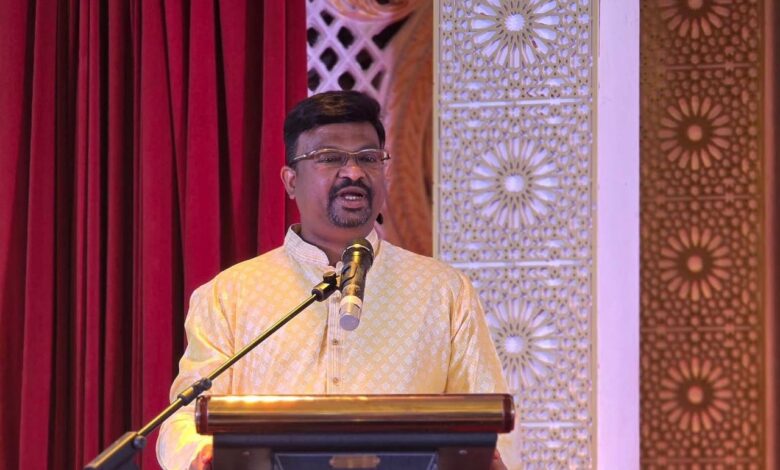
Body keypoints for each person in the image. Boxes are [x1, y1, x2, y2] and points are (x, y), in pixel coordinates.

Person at [156, 90, 516, 469]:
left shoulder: (444, 292)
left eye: (368, 158)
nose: (354, 172)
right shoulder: (229, 295)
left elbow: (490, 420)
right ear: (290, 181)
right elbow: (185, 417)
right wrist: (198, 455)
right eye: (330, 158)